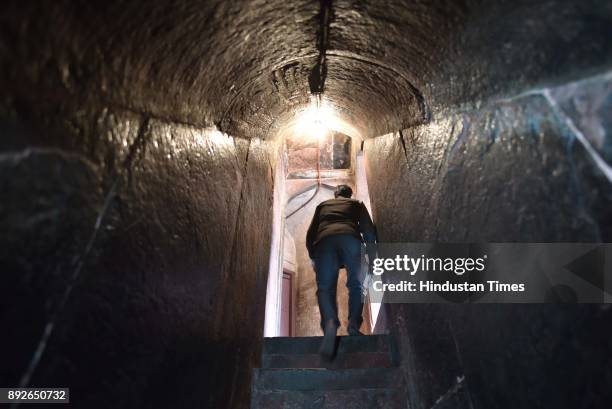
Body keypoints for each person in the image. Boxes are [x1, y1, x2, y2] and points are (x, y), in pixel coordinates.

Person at [306, 184, 377, 358]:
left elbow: (310, 234)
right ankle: (353, 324)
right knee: (357, 285)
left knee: (325, 288)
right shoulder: (356, 204)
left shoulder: (322, 206)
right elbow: (368, 231)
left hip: (324, 242)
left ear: (335, 195)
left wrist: (314, 256)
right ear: (350, 194)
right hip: (350, 240)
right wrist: (372, 257)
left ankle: (330, 322)